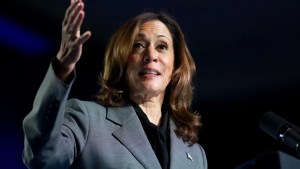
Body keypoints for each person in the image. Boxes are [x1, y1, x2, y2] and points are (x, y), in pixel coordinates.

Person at [22, 0, 208, 168]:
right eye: (138, 45)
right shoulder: (87, 120)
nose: (151, 55)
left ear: (176, 68)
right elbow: (41, 158)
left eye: (162, 46)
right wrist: (63, 66)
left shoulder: (195, 154)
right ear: (121, 61)